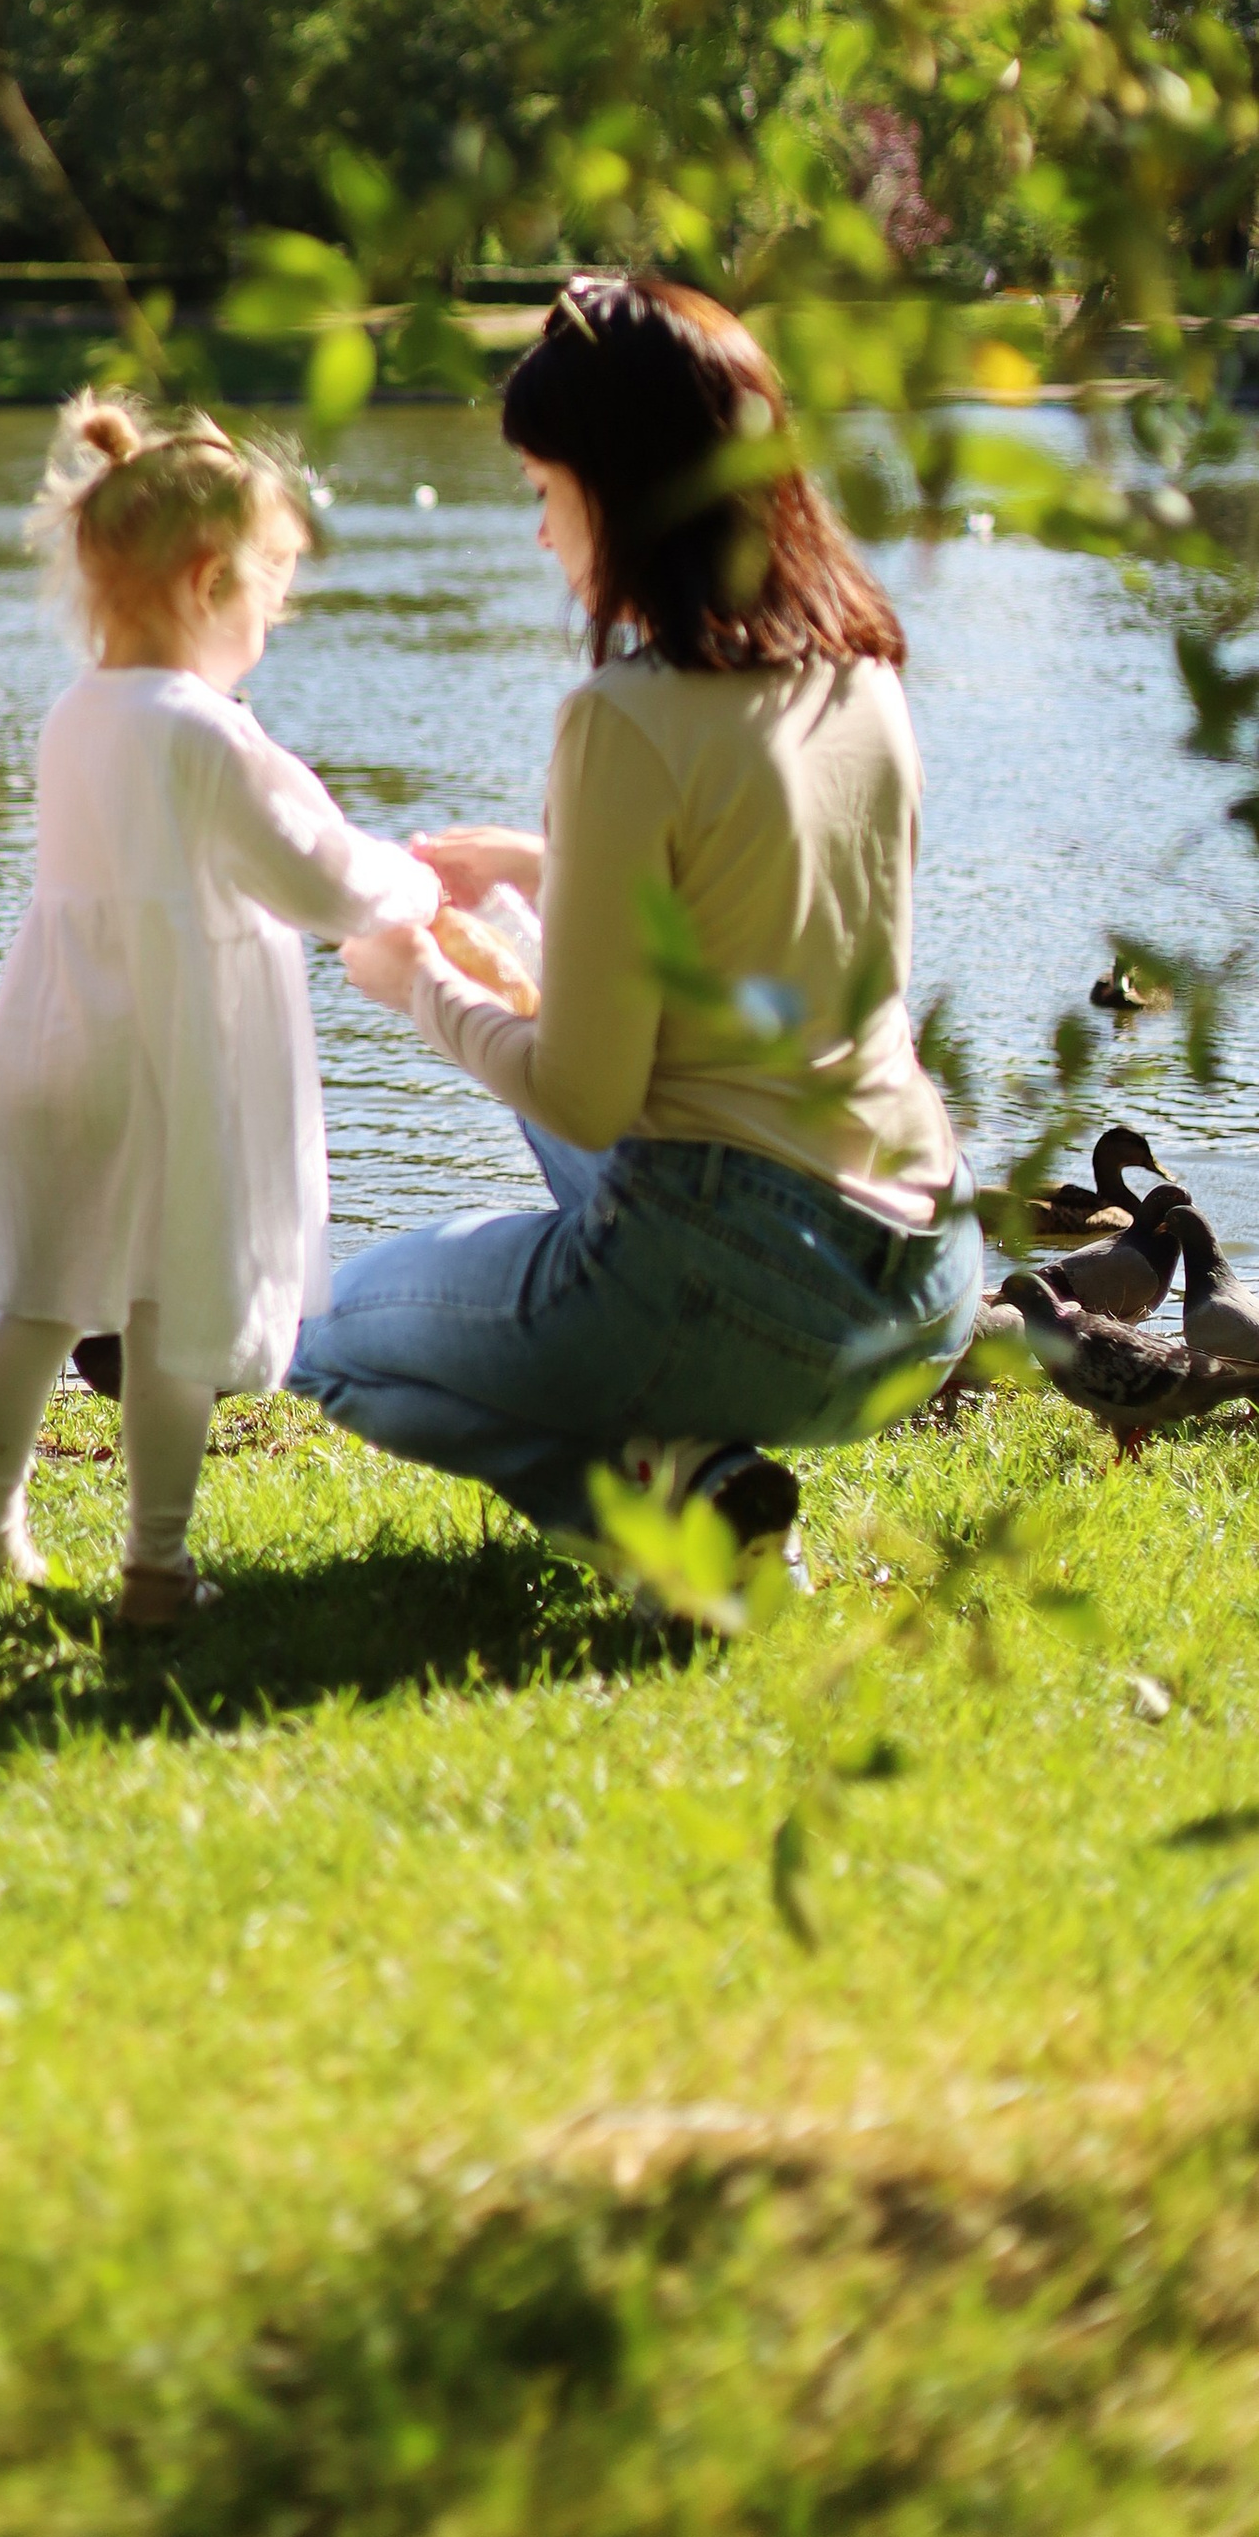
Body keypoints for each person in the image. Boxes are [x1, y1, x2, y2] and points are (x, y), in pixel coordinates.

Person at [289, 275, 982, 1575]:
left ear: (624, 491)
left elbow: (587, 1095)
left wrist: (418, 979)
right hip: (921, 1279)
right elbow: (769, 908)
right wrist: (546, 871)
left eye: (548, 493)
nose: (543, 538)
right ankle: (704, 1475)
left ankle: (669, 1517)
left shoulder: (623, 717)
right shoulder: (863, 679)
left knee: (309, 1330)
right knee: (561, 1026)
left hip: (740, 1289)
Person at [0, 396, 436, 1625]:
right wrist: (416, 881)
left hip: (62, 1042)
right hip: (176, 1056)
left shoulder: (75, 715)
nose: (267, 627)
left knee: (39, 1296)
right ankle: (155, 1566)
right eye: (266, 599)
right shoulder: (208, 735)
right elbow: (319, 879)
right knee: (170, 1308)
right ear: (210, 583)